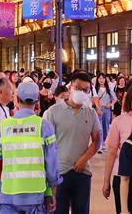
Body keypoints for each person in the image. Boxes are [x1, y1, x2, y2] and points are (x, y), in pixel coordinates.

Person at [0, 80, 61, 214]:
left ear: (16, 99)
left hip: (8, 194)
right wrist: (51, 192)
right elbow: (51, 165)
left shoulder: (4, 126)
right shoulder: (44, 126)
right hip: (35, 196)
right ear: (37, 101)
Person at [43, 71, 100, 214]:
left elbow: (97, 141)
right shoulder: (53, 112)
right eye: (78, 88)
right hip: (59, 173)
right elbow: (46, 146)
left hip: (83, 173)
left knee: (81, 210)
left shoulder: (90, 113)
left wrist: (83, 160)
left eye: (85, 90)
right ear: (70, 88)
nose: (81, 92)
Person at [102, 82, 132, 214]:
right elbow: (112, 153)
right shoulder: (119, 121)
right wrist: (106, 181)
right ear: (130, 100)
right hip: (122, 175)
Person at [93, 73, 115, 153]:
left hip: (106, 109)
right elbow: (93, 99)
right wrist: (98, 107)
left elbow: (114, 98)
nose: (101, 80)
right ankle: (100, 144)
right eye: (99, 78)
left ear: (105, 79)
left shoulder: (108, 89)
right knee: (99, 127)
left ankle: (105, 143)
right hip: (98, 109)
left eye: (103, 78)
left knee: (106, 127)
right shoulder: (95, 89)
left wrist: (111, 104)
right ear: (97, 80)